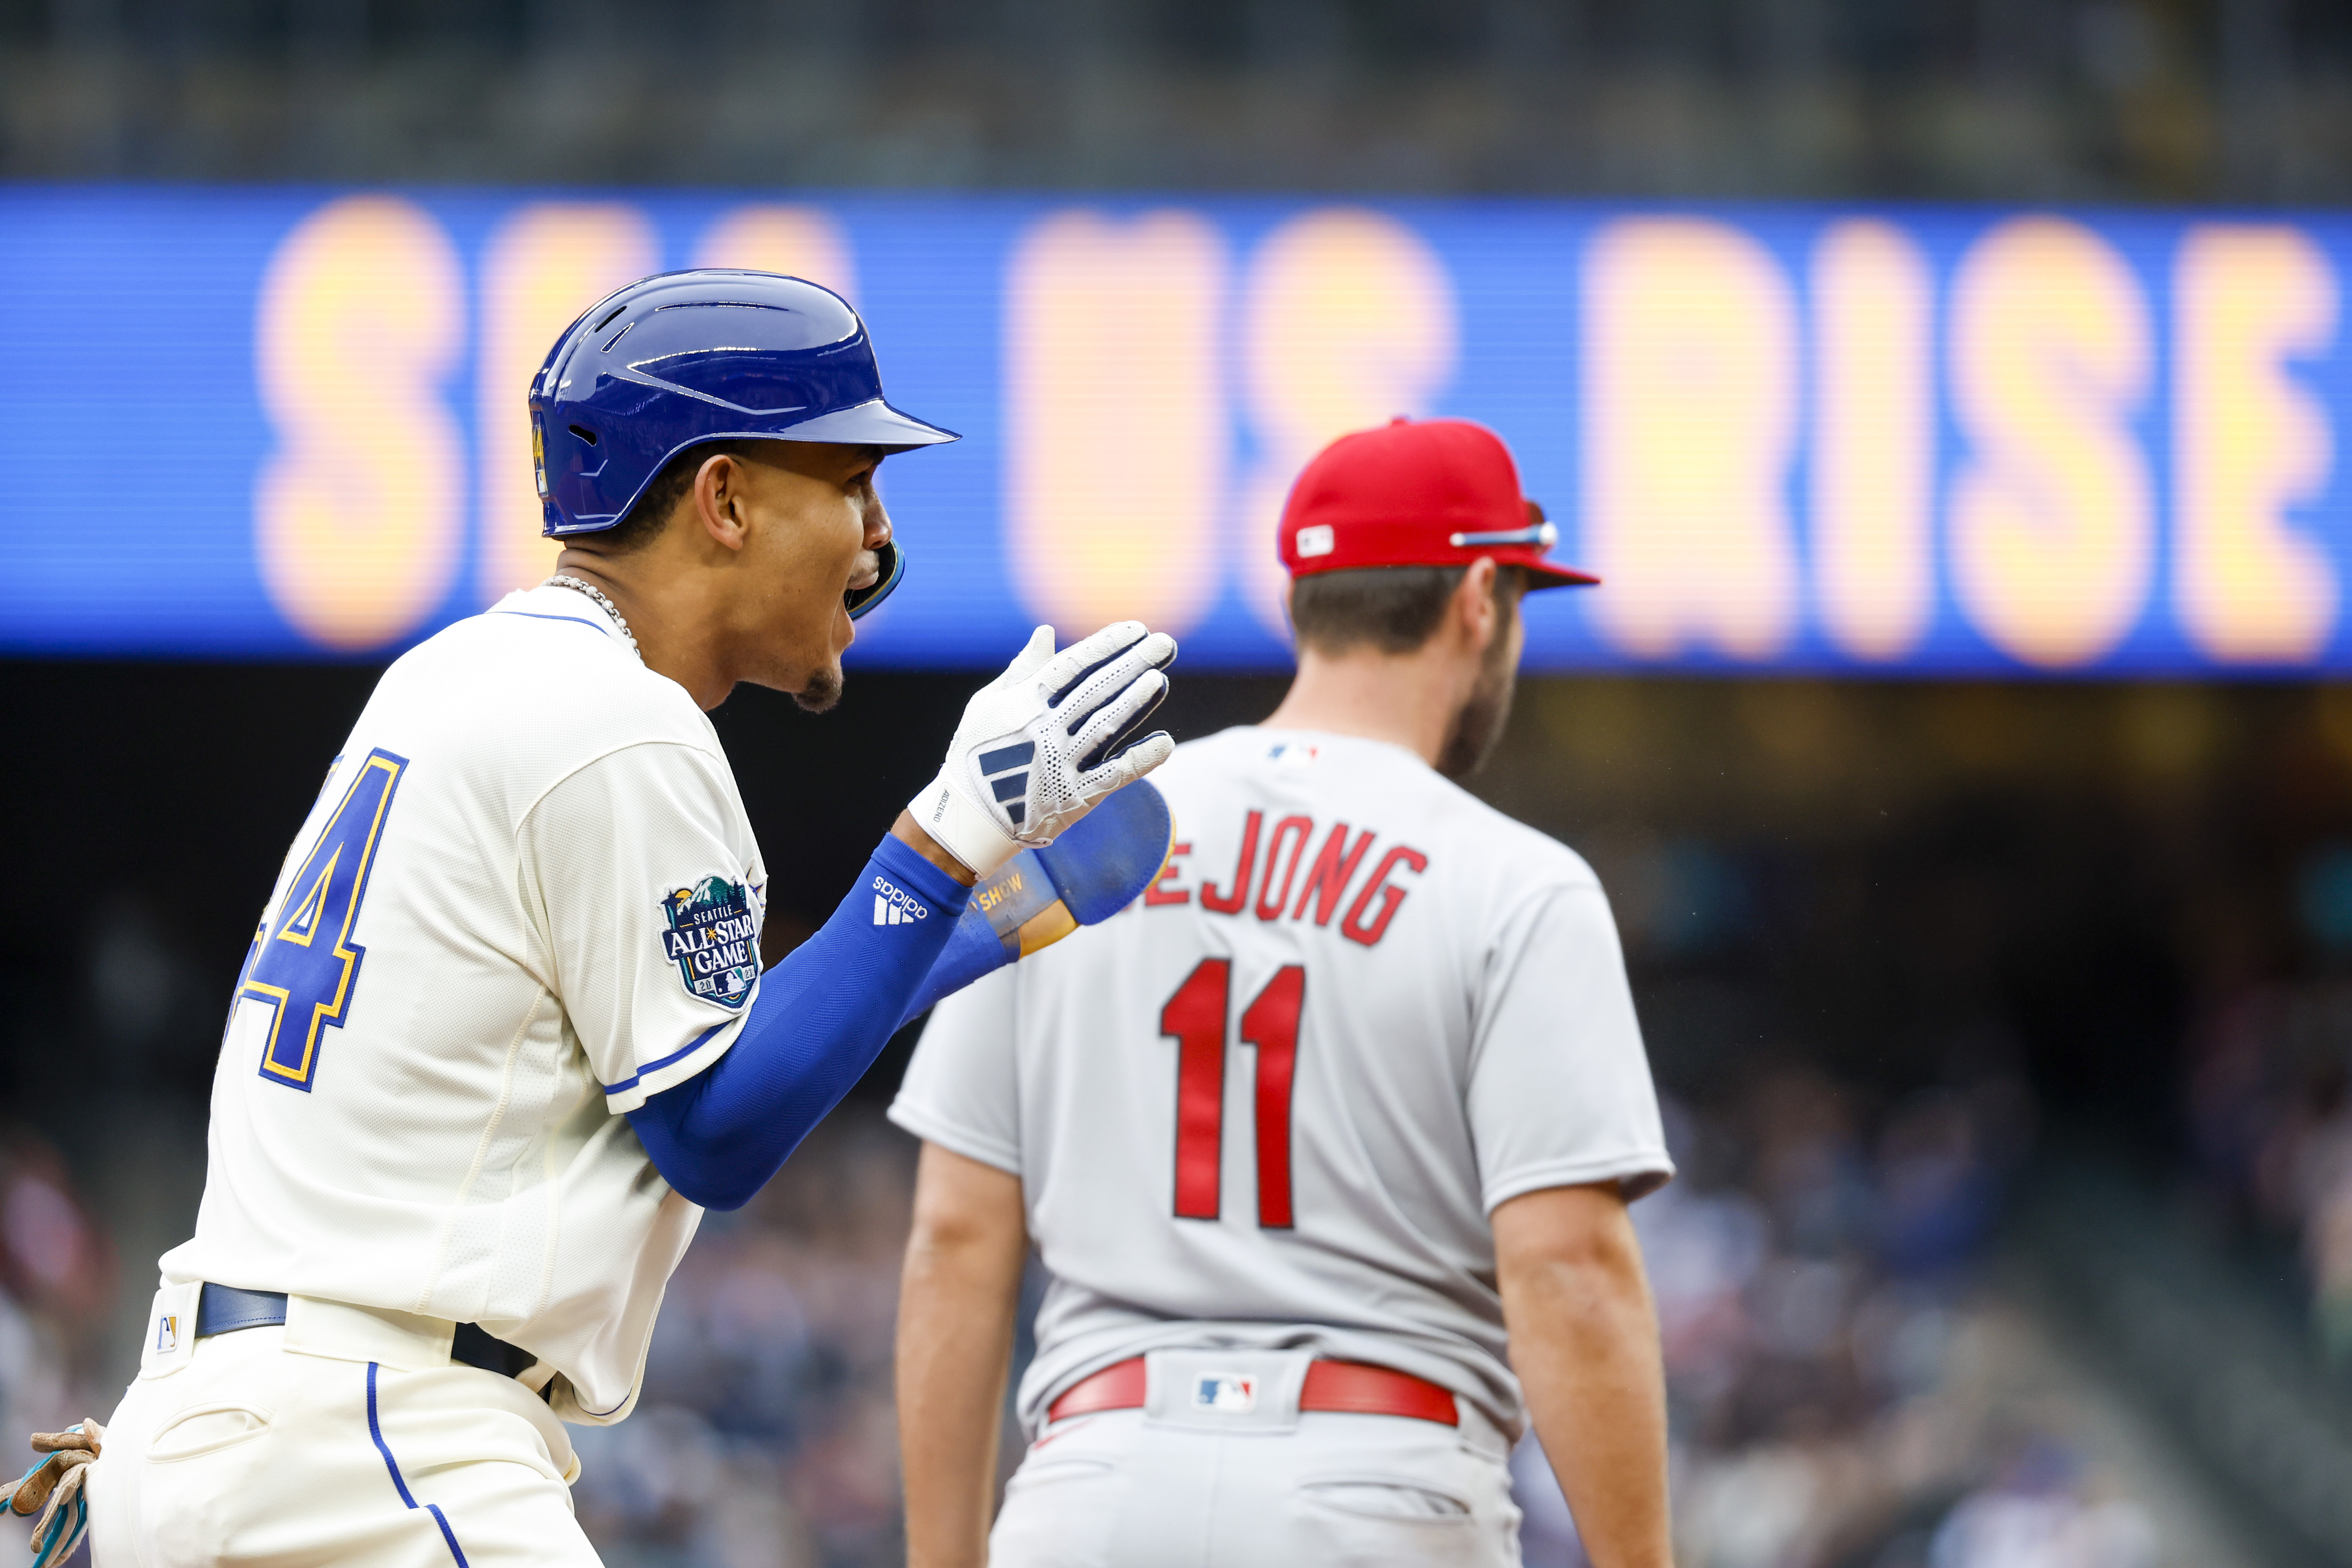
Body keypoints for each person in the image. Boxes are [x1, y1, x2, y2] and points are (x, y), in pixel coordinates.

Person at [78, 270, 1177, 1568]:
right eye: (849, 481)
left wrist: (973, 925)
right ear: (723, 499)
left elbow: (707, 1063)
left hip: (237, 1423)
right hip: (374, 1441)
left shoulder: (469, 672)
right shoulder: (616, 724)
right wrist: (943, 835)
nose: (876, 534)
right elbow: (714, 1132)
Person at [892, 416, 1677, 1568]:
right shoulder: (1517, 880)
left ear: (1305, 601)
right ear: (1476, 598)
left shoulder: (1069, 842)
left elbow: (956, 1237)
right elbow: (1566, 1267)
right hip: (1382, 1485)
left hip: (1093, 1486)